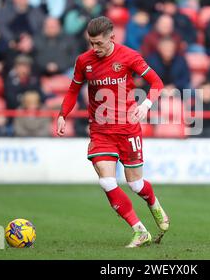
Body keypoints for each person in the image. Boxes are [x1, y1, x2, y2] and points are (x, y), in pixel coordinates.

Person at [57, 16, 169, 248]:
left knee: (135, 185)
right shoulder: (83, 61)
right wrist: (62, 115)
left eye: (99, 43)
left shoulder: (129, 56)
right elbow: (72, 90)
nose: (94, 48)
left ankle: (153, 203)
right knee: (107, 181)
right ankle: (140, 231)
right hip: (100, 131)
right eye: (91, 43)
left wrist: (145, 105)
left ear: (112, 38)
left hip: (127, 129)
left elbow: (156, 82)